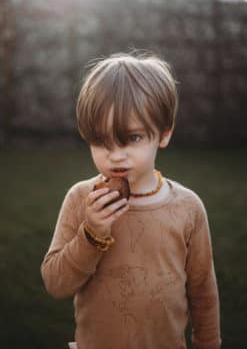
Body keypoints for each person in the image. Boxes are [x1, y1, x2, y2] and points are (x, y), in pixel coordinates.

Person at [41, 52, 221, 349]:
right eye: (101, 141)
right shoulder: (81, 199)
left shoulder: (187, 208)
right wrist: (91, 234)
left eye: (132, 138)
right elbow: (56, 284)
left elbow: (202, 289)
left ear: (164, 133)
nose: (116, 155)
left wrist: (208, 342)